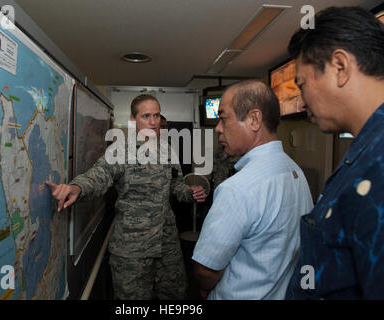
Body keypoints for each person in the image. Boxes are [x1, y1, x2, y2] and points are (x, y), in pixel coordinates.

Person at [46, 94, 207, 300]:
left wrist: (191, 193)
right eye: (146, 116)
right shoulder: (120, 150)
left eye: (156, 116)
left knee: (175, 295)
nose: (153, 121)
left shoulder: (167, 150)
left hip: (167, 245)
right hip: (132, 249)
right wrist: (77, 187)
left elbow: (176, 184)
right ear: (133, 119)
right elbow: (99, 175)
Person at [285, 6, 384, 299]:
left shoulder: (379, 163)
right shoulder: (367, 150)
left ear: (340, 67)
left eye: (302, 84)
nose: (301, 103)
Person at [192, 80, 314, 299]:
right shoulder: (295, 172)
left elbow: (206, 270)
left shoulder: (238, 189)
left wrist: (203, 288)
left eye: (223, 118)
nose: (218, 128)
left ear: (254, 120)